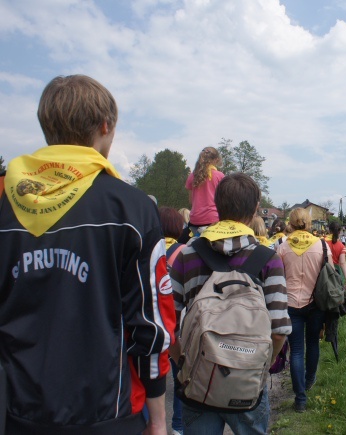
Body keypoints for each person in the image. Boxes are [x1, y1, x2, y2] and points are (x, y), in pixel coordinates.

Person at [0, 74, 175, 435]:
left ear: (47, 128)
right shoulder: (133, 209)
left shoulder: (5, 203)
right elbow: (151, 325)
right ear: (105, 126)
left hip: (18, 411)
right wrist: (159, 419)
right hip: (109, 413)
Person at [169, 173, 291, 435]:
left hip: (199, 379)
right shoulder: (269, 259)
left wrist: (184, 361)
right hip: (248, 384)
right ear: (256, 208)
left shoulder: (187, 254)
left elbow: (166, 322)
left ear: (217, 204)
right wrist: (257, 367)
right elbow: (279, 330)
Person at [276, 208, 332, 413]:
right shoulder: (322, 246)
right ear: (309, 222)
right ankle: (309, 380)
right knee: (313, 343)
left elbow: (276, 275)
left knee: (296, 350)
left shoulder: (282, 246)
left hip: (290, 304)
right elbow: (330, 276)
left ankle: (300, 398)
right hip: (315, 304)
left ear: (290, 222)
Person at [158, 207, 187, 435]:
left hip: (148, 321)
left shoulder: (145, 247)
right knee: (180, 376)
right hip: (174, 322)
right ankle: (178, 426)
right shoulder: (185, 251)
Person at [185, 147, 225, 236]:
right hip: (214, 221)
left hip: (195, 220)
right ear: (216, 159)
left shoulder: (192, 176)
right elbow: (224, 201)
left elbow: (191, 201)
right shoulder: (220, 176)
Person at [325, 222, 346, 290]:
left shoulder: (321, 242)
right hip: (336, 273)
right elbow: (342, 263)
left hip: (323, 272)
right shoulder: (342, 246)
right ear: (340, 232)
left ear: (329, 230)